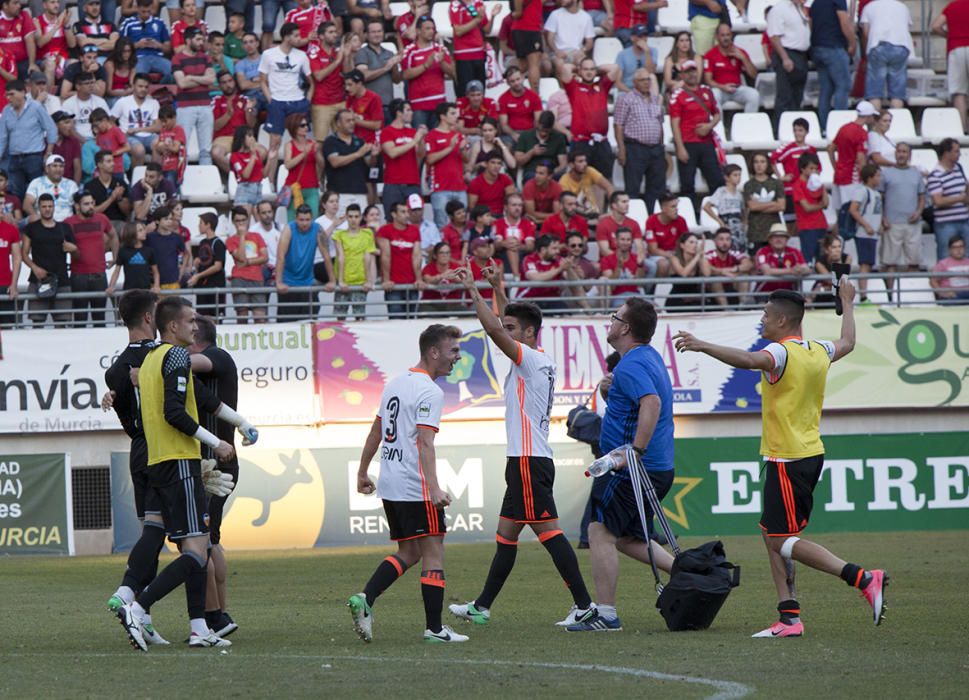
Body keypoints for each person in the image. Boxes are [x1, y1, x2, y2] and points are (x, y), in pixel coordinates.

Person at [673, 283, 888, 638]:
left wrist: (702, 345)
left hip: (788, 459)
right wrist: (847, 303)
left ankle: (863, 577)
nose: (762, 320)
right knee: (770, 532)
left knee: (782, 540)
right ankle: (789, 616)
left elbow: (748, 360)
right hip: (804, 453)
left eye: (766, 315)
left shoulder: (781, 352)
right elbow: (848, 341)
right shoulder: (818, 349)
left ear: (782, 320)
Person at [449, 258, 596, 626]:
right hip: (524, 459)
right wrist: (498, 288)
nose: (504, 328)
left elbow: (495, 330)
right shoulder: (535, 357)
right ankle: (482, 606)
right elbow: (506, 322)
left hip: (529, 460)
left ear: (529, 334)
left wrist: (473, 290)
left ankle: (586, 607)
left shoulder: (528, 358)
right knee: (506, 536)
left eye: (512, 327)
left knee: (550, 533)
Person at [114, 296, 252, 652]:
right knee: (195, 550)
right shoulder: (175, 356)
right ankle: (138, 605)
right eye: (190, 320)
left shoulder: (149, 361)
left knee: (181, 539)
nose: (195, 326)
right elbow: (176, 412)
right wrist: (216, 443)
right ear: (173, 326)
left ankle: (198, 627)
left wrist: (241, 423)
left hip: (156, 463)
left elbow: (202, 399)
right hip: (179, 462)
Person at [347, 324, 466, 644]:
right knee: (433, 552)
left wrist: (362, 471)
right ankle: (435, 629)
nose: (457, 356)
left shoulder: (396, 383)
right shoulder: (431, 391)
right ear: (433, 352)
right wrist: (435, 488)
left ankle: (365, 599)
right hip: (416, 486)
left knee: (409, 552)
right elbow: (425, 444)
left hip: (391, 483)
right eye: (453, 350)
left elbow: (376, 430)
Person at [566, 297, 676, 631]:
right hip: (649, 467)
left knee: (598, 531)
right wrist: (606, 392)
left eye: (615, 317)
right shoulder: (645, 358)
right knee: (627, 538)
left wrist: (635, 451)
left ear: (626, 327)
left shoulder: (630, 364)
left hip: (630, 467)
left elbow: (651, 402)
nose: (610, 322)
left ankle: (606, 614)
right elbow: (631, 405)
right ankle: (688, 571)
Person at [102, 290, 170, 649]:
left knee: (151, 534)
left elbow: (129, 424)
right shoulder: (164, 357)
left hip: (139, 450)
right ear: (148, 319)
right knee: (180, 538)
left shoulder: (115, 370)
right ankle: (130, 596)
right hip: (165, 449)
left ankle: (142, 617)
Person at [189, 315, 244, 638]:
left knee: (202, 541)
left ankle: (215, 617)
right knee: (212, 539)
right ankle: (220, 615)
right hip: (215, 461)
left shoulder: (218, 357)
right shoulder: (211, 363)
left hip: (216, 464)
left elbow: (185, 362)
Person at [669, 59, 725, 215]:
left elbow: (717, 114)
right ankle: (692, 216)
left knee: (717, 181)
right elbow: (674, 123)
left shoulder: (707, 91)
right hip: (688, 143)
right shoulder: (678, 95)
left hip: (706, 143)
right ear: (682, 75)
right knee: (687, 184)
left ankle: (720, 214)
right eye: (688, 72)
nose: (692, 74)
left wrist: (709, 126)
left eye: (694, 70)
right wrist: (680, 147)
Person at [259, 22, 311, 183]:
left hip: (297, 102)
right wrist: (271, 100)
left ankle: (303, 180)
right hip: (278, 102)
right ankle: (270, 182)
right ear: (286, 37)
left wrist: (306, 101)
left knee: (302, 141)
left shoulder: (301, 56)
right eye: (295, 35)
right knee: (274, 143)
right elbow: (262, 81)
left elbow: (311, 81)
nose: (299, 38)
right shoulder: (268, 54)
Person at [557, 56, 620, 180]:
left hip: (601, 142)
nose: (589, 72)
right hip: (581, 143)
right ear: (580, 71)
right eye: (585, 69)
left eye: (592, 69)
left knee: (603, 180)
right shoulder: (573, 87)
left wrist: (597, 69)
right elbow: (563, 68)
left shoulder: (602, 85)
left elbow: (615, 68)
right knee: (580, 180)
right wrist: (577, 68)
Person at [614, 69, 664, 213]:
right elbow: (618, 124)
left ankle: (652, 219)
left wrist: (660, 145)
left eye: (648, 79)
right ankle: (634, 218)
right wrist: (622, 149)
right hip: (635, 148)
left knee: (656, 188)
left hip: (655, 149)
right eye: (643, 80)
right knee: (633, 187)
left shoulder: (655, 99)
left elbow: (659, 122)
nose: (647, 83)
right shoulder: (626, 98)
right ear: (634, 82)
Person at [21, 192, 75, 326]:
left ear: (54, 207)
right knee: (37, 322)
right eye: (44, 206)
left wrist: (73, 249)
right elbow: (24, 253)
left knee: (63, 323)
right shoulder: (31, 228)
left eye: (50, 206)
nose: (47, 209)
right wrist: (35, 268)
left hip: (62, 279)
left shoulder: (65, 228)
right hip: (38, 279)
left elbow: (77, 254)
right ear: (39, 207)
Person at [0, 80, 57, 201]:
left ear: (22, 92)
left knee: (37, 191)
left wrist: (49, 152)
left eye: (12, 94)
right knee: (15, 193)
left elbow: (51, 128)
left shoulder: (36, 107)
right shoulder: (6, 110)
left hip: (34, 157)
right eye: (7, 95)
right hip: (14, 157)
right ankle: (19, 218)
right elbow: (2, 137)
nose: (9, 98)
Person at [66, 190, 115, 327]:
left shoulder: (102, 219)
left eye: (92, 203)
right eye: (86, 204)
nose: (91, 206)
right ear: (77, 206)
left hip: (99, 274)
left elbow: (114, 236)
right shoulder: (68, 223)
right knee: (79, 318)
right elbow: (61, 245)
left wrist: (115, 257)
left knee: (100, 318)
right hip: (78, 276)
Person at [879, 143, 925, 288]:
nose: (901, 154)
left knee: (914, 261)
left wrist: (918, 212)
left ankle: (913, 292)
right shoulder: (886, 173)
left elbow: (922, 196)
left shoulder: (916, 173)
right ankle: (891, 295)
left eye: (904, 152)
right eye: (899, 151)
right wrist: (883, 218)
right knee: (890, 262)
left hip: (913, 223)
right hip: (892, 223)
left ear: (909, 155)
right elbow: (880, 198)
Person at [171, 27, 215, 166]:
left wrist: (190, 77)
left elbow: (211, 80)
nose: (201, 42)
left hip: (205, 106)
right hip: (185, 107)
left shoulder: (205, 57)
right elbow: (182, 83)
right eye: (198, 39)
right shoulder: (177, 58)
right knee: (183, 146)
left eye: (202, 39)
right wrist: (201, 78)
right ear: (188, 40)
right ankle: (182, 181)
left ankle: (206, 179)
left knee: (206, 149)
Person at [808, 0, 855, 131]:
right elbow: (844, 23)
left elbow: (810, 24)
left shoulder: (816, 3)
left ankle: (824, 127)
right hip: (833, 47)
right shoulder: (838, 1)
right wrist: (852, 43)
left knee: (826, 89)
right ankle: (840, 125)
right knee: (843, 86)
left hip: (817, 47)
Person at [401, 16, 455, 129]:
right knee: (421, 140)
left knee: (438, 139)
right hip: (418, 106)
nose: (431, 31)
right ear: (418, 31)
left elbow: (453, 73)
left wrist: (441, 63)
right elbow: (405, 74)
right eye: (427, 28)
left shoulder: (441, 49)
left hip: (439, 105)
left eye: (432, 28)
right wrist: (426, 65)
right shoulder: (410, 50)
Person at [860, 0, 913, 111]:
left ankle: (876, 122)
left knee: (875, 91)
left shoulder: (869, 7)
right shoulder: (903, 7)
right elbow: (906, 28)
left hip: (878, 45)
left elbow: (866, 32)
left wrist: (866, 54)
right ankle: (895, 121)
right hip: (901, 45)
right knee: (897, 92)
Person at [276, 203, 326, 320]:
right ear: (295, 218)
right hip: (288, 282)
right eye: (301, 219)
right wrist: (278, 282)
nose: (304, 223)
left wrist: (333, 280)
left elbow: (326, 256)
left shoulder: (317, 229)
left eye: (307, 220)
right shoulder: (288, 229)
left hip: (307, 282)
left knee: (310, 322)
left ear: (312, 218)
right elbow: (280, 256)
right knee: (286, 323)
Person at [766, 0, 811, 126]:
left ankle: (793, 128)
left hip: (801, 55)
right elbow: (774, 37)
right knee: (785, 96)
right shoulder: (779, 9)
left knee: (797, 96)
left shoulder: (799, 9)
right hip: (788, 53)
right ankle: (779, 128)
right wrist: (784, 58)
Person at [425, 102, 469, 229]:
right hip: (440, 188)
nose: (456, 116)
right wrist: (450, 147)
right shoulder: (432, 135)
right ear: (442, 117)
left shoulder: (459, 136)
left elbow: (466, 159)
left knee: (461, 225)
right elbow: (430, 159)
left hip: (459, 186)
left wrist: (461, 150)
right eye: (453, 113)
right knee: (443, 225)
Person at [377, 199, 424, 317]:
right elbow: (385, 255)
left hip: (412, 283)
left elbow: (417, 256)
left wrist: (419, 279)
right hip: (393, 285)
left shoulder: (414, 230)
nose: (407, 215)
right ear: (393, 214)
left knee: (412, 319)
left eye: (407, 211)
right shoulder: (385, 230)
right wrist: (386, 280)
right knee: (396, 319)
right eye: (403, 212)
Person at [829, 100, 878, 212]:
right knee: (852, 212)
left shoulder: (844, 128)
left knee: (840, 214)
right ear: (868, 115)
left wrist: (835, 167)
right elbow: (860, 159)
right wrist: (866, 178)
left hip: (839, 176)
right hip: (852, 178)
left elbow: (831, 148)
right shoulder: (861, 133)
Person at [323, 108, 374, 214]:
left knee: (360, 228)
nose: (352, 123)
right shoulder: (331, 141)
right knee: (340, 228)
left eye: (353, 120)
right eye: (348, 121)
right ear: (338, 123)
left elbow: (369, 163)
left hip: (360, 192)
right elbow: (335, 162)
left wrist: (375, 155)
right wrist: (357, 154)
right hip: (339, 194)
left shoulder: (359, 141)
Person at [926, 138, 969, 261]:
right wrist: (960, 198)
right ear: (946, 153)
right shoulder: (935, 175)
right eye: (956, 151)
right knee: (945, 257)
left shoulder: (959, 168)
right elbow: (938, 201)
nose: (959, 154)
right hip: (946, 224)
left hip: (965, 219)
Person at [332, 202, 376, 320]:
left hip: (360, 282)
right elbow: (340, 256)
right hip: (344, 281)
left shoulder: (367, 234)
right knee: (340, 319)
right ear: (346, 217)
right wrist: (340, 281)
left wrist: (369, 281)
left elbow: (369, 258)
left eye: (356, 217)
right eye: (350, 217)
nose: (353, 220)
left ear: (361, 217)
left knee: (360, 318)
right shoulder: (339, 234)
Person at [771, 117, 817, 229]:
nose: (797, 133)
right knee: (791, 223)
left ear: (806, 132)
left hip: (806, 191)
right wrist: (781, 177)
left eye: (800, 130)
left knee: (805, 222)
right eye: (795, 130)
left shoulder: (812, 150)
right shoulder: (788, 148)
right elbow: (772, 160)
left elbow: (817, 168)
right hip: (790, 191)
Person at [225, 206, 268, 323]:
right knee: (242, 316)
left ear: (248, 220)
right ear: (233, 222)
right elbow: (240, 257)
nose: (241, 223)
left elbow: (265, 257)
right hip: (239, 279)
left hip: (257, 278)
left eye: (243, 220)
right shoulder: (230, 240)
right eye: (238, 221)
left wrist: (247, 262)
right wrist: (242, 236)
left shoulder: (257, 236)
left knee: (260, 317)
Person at [931, 0, 969, 134]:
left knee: (959, 92)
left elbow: (935, 26)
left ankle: (962, 128)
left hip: (956, 47)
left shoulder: (952, 6)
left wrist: (949, 36)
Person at [847, 163, 883, 301]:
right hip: (864, 233)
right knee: (865, 264)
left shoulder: (876, 193)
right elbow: (853, 209)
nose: (880, 179)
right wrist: (866, 225)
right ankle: (863, 294)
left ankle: (864, 293)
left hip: (873, 233)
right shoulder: (861, 191)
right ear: (870, 177)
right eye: (877, 176)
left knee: (869, 263)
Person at [704, 23, 759, 113]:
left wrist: (743, 58)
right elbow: (707, 80)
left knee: (754, 95)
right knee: (714, 95)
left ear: (731, 35)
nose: (726, 38)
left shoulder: (740, 52)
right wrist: (723, 87)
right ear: (717, 37)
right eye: (722, 35)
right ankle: (719, 126)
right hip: (720, 89)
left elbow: (754, 75)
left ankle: (748, 125)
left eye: (728, 35)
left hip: (737, 89)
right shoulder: (710, 55)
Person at [307, 22, 348, 142]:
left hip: (341, 102)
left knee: (345, 140)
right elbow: (318, 76)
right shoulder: (315, 54)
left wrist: (348, 57)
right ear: (321, 36)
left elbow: (347, 73)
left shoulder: (338, 52)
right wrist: (337, 61)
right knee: (320, 142)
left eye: (335, 32)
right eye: (330, 32)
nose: (335, 35)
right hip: (322, 103)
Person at [110, 72, 160, 167]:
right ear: (133, 86)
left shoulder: (154, 102)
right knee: (139, 150)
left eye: (146, 87)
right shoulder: (123, 102)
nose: (143, 89)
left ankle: (155, 176)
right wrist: (120, 134)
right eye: (140, 86)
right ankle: (137, 179)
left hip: (149, 136)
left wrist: (138, 129)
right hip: (129, 137)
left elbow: (158, 127)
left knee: (160, 145)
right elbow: (110, 121)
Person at [354, 19, 400, 122]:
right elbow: (363, 76)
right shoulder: (362, 52)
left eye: (379, 31)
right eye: (373, 32)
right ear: (367, 35)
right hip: (370, 105)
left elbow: (397, 80)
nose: (377, 34)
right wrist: (385, 68)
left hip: (388, 105)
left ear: (383, 33)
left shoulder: (389, 53)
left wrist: (394, 67)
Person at [450, 0, 497, 97]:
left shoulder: (478, 3)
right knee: (465, 93)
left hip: (479, 54)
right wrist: (477, 20)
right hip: (464, 55)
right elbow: (458, 31)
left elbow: (486, 29)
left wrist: (493, 16)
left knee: (480, 92)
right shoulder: (455, 5)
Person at [211, 73, 256, 174]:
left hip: (243, 138)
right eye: (224, 82)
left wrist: (248, 110)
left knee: (263, 152)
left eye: (230, 81)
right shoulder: (216, 100)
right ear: (219, 86)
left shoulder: (245, 99)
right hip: (223, 138)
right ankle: (239, 176)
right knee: (216, 153)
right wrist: (228, 115)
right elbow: (215, 126)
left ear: (234, 82)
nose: (228, 85)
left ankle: (245, 176)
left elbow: (252, 125)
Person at [558, 145, 613, 224]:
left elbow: (608, 187)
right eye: (580, 161)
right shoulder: (564, 181)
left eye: (585, 161)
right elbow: (567, 206)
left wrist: (612, 206)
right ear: (571, 165)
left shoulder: (589, 171)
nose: (585, 164)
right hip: (575, 216)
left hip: (594, 213)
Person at [745, 152, 787, 255]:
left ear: (767, 164)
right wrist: (772, 203)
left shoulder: (776, 183)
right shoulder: (749, 185)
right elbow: (752, 207)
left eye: (762, 162)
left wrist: (759, 206)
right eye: (756, 162)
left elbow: (781, 206)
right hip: (755, 230)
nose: (759, 165)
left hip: (773, 229)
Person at [791, 151, 828, 265]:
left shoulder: (816, 183)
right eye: (811, 168)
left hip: (821, 225)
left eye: (816, 169)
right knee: (808, 260)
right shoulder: (798, 185)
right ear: (802, 169)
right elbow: (806, 207)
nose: (814, 171)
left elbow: (826, 203)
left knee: (822, 260)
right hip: (807, 227)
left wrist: (821, 185)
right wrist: (820, 205)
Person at [187, 212, 226, 317]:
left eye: (201, 223)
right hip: (202, 286)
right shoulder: (202, 242)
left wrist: (199, 276)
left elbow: (218, 266)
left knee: (213, 317)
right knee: (202, 317)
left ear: (208, 225)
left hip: (214, 286)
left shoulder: (218, 243)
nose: (199, 225)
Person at [120, 0, 173, 76]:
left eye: (149, 11)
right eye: (143, 12)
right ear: (137, 8)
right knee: (139, 75)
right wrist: (137, 45)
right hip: (138, 58)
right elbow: (120, 47)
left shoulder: (159, 22)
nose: (146, 15)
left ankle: (162, 87)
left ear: (151, 8)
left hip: (158, 57)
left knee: (173, 71)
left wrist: (158, 45)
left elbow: (168, 49)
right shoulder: (128, 23)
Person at [755, 223, 811, 293]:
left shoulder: (794, 252)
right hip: (765, 293)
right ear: (770, 240)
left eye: (782, 236)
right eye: (775, 237)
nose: (779, 239)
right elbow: (767, 271)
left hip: (789, 293)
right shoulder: (763, 252)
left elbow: (807, 269)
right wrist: (791, 271)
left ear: (787, 240)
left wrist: (801, 270)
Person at [703, 162, 747, 251]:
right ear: (727, 177)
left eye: (739, 175)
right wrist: (720, 221)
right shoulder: (721, 191)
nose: (738, 178)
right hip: (726, 220)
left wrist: (745, 222)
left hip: (738, 223)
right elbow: (707, 207)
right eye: (735, 175)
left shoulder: (739, 194)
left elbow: (743, 210)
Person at [514, 110, 567, 181]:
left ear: (552, 128)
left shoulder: (559, 138)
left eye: (547, 131)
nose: (543, 134)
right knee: (532, 177)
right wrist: (532, 152)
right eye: (541, 130)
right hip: (532, 172)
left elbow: (563, 164)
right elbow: (519, 162)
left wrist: (553, 172)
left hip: (552, 172)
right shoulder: (525, 136)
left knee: (560, 177)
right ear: (537, 124)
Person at [706, 226, 753, 306]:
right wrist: (723, 272)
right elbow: (707, 268)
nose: (725, 243)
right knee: (715, 280)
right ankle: (726, 309)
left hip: (732, 287)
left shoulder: (733, 253)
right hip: (712, 292)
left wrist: (735, 269)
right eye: (721, 239)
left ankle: (743, 306)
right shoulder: (710, 255)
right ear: (715, 241)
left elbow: (748, 264)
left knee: (744, 276)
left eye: (728, 239)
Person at [108, 221, 159, 294]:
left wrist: (156, 286)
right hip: (129, 291)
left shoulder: (149, 251)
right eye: (140, 230)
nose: (144, 232)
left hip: (146, 290)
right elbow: (116, 271)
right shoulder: (123, 251)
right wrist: (111, 286)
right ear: (131, 233)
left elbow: (155, 272)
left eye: (144, 229)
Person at [519, 233, 568, 310]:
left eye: (558, 248)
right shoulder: (529, 259)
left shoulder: (559, 260)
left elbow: (570, 277)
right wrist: (560, 269)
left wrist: (570, 269)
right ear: (543, 250)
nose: (558, 251)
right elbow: (535, 277)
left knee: (566, 313)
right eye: (554, 248)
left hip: (552, 300)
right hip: (530, 299)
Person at [24, 153, 78, 222]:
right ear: (47, 168)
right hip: (42, 222)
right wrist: (38, 219)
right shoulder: (37, 183)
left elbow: (78, 206)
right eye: (54, 166)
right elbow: (26, 205)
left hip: (67, 223)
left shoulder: (71, 184)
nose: (58, 169)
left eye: (61, 166)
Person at [496, 66, 541, 147]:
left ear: (523, 78)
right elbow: (504, 125)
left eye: (518, 79)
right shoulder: (503, 99)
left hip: (530, 132)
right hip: (511, 134)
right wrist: (514, 135)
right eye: (512, 81)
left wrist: (530, 135)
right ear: (508, 83)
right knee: (506, 147)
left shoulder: (533, 96)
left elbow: (538, 121)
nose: (516, 83)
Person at [645, 191, 688, 275]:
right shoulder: (651, 221)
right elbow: (652, 249)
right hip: (658, 255)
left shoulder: (681, 221)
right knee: (664, 264)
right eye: (673, 207)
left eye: (676, 206)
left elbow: (685, 242)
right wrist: (670, 256)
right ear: (663, 208)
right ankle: (658, 288)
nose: (676, 209)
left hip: (676, 253)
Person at [494, 192, 535, 277]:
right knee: (511, 246)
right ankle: (516, 277)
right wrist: (504, 243)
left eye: (520, 205)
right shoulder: (498, 223)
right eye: (514, 205)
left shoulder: (528, 224)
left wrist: (518, 245)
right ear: (506, 207)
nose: (517, 208)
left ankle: (516, 278)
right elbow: (497, 244)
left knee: (513, 246)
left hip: (523, 254)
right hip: (502, 254)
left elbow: (530, 246)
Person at [599, 227, 643, 307]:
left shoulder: (636, 258)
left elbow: (640, 283)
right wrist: (618, 267)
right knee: (624, 310)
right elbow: (611, 287)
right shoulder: (606, 260)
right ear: (616, 241)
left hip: (636, 296)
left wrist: (640, 265)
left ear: (631, 242)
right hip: (617, 297)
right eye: (622, 239)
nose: (625, 242)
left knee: (656, 309)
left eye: (628, 240)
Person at [597, 190, 646, 261]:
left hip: (629, 260)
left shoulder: (633, 223)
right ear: (614, 205)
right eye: (624, 202)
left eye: (628, 202)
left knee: (652, 266)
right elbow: (604, 251)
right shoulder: (603, 224)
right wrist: (623, 260)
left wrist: (639, 259)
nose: (627, 204)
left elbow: (640, 248)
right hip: (609, 261)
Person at [228, 125, 265, 214]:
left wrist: (270, 160)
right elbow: (245, 175)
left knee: (260, 223)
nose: (253, 139)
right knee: (244, 222)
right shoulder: (235, 156)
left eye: (253, 136)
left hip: (258, 189)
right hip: (244, 190)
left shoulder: (256, 153)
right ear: (241, 138)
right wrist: (252, 157)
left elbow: (262, 174)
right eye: (249, 136)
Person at [544, 0, 594, 65]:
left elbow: (589, 42)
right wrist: (556, 51)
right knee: (560, 63)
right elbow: (550, 39)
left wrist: (582, 50)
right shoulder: (555, 14)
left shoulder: (586, 17)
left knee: (584, 64)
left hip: (576, 52)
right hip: (557, 52)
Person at [419, 240, 462, 313]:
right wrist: (443, 275)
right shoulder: (428, 267)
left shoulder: (456, 267)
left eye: (447, 253)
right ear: (435, 255)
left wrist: (457, 278)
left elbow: (465, 279)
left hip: (452, 305)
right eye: (441, 253)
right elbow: (428, 279)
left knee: (466, 311)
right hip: (431, 304)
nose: (445, 255)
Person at [151, 104, 187, 191]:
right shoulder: (163, 131)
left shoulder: (179, 130)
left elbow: (176, 149)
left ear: (174, 118)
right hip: (163, 167)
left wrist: (164, 146)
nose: (163, 124)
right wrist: (159, 146)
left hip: (174, 167)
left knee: (171, 190)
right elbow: (159, 148)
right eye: (161, 121)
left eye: (165, 121)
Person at [509, 0, 543, 91]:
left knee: (523, 65)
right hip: (528, 28)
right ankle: (535, 96)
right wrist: (513, 14)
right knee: (534, 63)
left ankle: (514, 92)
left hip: (525, 28)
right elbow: (518, 13)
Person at [810, 232, 850, 305]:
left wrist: (839, 260)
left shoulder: (847, 258)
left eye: (839, 246)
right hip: (823, 293)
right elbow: (831, 280)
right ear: (826, 250)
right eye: (834, 247)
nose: (838, 250)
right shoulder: (819, 262)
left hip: (839, 291)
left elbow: (843, 278)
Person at [616, 25, 656, 91]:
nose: (643, 39)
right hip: (628, 90)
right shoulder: (622, 54)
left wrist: (647, 52)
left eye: (645, 36)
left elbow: (650, 73)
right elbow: (618, 82)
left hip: (647, 89)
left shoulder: (652, 51)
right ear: (632, 38)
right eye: (640, 36)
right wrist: (632, 94)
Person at [930, 234, 969, 303]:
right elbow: (933, 280)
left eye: (961, 246)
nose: (959, 250)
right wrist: (942, 294)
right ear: (949, 250)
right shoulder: (943, 264)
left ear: (964, 248)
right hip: (952, 297)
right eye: (955, 247)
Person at [0, 206, 20, 326]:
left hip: (5, 286)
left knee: (7, 327)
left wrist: (14, 284)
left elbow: (17, 258)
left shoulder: (11, 230)